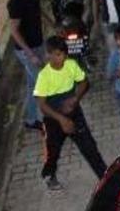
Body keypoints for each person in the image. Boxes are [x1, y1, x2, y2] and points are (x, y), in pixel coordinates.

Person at [34, 36, 107, 191]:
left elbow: (84, 82)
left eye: (59, 55)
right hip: (53, 119)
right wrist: (62, 120)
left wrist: (75, 99)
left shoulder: (71, 65)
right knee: (53, 151)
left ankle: (105, 178)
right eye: (52, 54)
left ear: (66, 55)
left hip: (74, 114)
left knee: (89, 147)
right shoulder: (44, 76)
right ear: (47, 54)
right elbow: (42, 105)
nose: (55, 58)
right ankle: (49, 174)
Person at [8, 0, 47, 131]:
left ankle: (32, 119)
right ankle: (46, 119)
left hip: (38, 44)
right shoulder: (15, 2)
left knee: (33, 84)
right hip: (26, 50)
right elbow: (14, 31)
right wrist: (30, 54)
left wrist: (53, 23)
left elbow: (39, 11)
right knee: (43, 83)